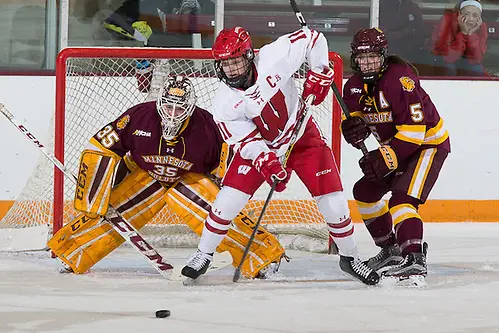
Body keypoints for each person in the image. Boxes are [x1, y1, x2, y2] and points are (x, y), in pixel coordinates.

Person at [181, 26, 380, 285]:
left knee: (333, 199)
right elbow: (246, 141)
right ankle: (203, 254)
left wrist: (319, 71)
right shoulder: (224, 103)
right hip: (262, 146)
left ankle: (350, 258)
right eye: (225, 64)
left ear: (249, 56)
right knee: (227, 200)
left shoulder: (276, 55)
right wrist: (267, 161)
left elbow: (314, 38)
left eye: (235, 61)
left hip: (302, 137)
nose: (230, 69)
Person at [47, 76, 285, 279]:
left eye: (179, 109)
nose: (172, 114)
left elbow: (226, 166)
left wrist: (222, 193)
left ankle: (262, 258)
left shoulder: (208, 127)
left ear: (190, 109)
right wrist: (93, 192)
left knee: (220, 216)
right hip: (145, 177)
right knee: (109, 213)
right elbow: (102, 146)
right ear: (160, 102)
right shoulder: (138, 116)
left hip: (187, 181)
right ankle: (70, 251)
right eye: (168, 106)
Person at [341, 28, 451, 279]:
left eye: (372, 56)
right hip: (397, 147)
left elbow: (415, 132)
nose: (367, 63)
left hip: (427, 146)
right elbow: (359, 119)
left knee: (402, 200)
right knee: (364, 193)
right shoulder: (354, 86)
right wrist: (353, 129)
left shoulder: (400, 79)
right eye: (361, 57)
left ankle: (414, 257)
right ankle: (390, 249)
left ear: (383, 56)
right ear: (354, 59)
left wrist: (384, 159)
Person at [432, 0, 488, 76]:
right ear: (459, 14)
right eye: (466, 14)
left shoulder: (481, 27)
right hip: (442, 58)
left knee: (477, 69)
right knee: (449, 68)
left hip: (465, 59)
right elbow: (449, 57)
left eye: (475, 15)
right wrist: (464, 33)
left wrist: (470, 34)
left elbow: (476, 59)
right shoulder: (447, 21)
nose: (470, 19)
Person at [379, 0, 427, 68]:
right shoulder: (378, 7)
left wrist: (407, 33)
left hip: (410, 52)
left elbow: (419, 31)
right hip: (387, 51)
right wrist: (403, 33)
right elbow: (380, 34)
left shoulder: (412, 7)